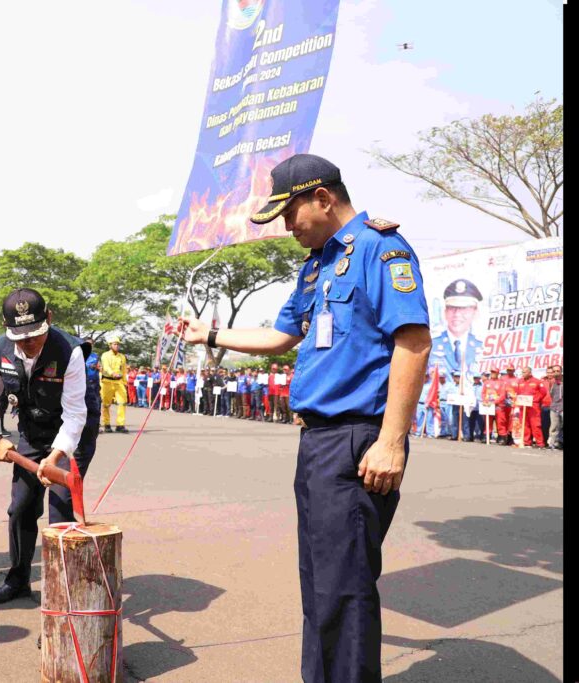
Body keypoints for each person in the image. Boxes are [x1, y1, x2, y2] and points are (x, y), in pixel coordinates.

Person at [181, 153, 431, 682]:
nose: (287, 226)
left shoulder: (381, 249)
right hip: (318, 443)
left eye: (290, 213)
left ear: (323, 198)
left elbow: (413, 342)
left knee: (346, 587)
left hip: (358, 439)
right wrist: (210, 335)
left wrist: (391, 441)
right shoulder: (316, 265)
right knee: (319, 581)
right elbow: (281, 336)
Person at [0, 289, 97, 605]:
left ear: (49, 318)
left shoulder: (69, 351)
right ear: (6, 327)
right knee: (21, 506)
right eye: (20, 336)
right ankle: (17, 579)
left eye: (35, 333)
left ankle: (64, 593)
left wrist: (54, 458)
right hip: (32, 429)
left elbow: (75, 415)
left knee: (61, 509)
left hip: (72, 434)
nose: (28, 342)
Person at [428, 279, 484, 376]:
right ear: (445, 312)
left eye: (464, 309)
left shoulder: (482, 348)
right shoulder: (431, 346)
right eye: (452, 308)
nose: (457, 314)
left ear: (475, 313)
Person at [100, 337, 128, 432]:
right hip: (107, 381)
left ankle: (120, 425)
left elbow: (124, 370)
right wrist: (112, 373)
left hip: (119, 382)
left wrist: (125, 382)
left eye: (118, 344)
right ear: (110, 345)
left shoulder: (122, 357)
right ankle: (107, 424)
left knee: (122, 402)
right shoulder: (105, 355)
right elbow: (106, 366)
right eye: (114, 344)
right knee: (106, 404)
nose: (117, 346)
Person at [515, 366, 547, 448]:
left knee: (535, 424)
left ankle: (540, 443)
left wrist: (536, 400)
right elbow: (517, 392)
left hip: (533, 406)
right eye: (522, 372)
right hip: (523, 405)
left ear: (530, 373)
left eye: (524, 372)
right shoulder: (520, 381)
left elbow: (543, 392)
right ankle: (526, 442)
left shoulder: (537, 381)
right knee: (524, 424)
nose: (523, 374)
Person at [496, 364, 520, 446]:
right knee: (502, 421)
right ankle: (502, 437)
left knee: (512, 421)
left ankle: (510, 438)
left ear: (514, 370)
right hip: (502, 404)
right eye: (508, 370)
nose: (509, 371)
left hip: (513, 404)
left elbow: (518, 392)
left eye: (511, 370)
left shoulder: (517, 380)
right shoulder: (502, 379)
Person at [547, 365, 563, 449]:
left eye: (558, 371)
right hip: (554, 407)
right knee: (554, 426)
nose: (556, 373)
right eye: (554, 371)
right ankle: (553, 443)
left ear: (561, 372)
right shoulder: (551, 382)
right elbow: (551, 394)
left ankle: (560, 442)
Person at [466, 373, 485, 442]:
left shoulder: (483, 386)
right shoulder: (470, 386)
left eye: (477, 378)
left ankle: (482, 437)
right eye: (475, 378)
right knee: (471, 423)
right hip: (472, 407)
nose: (476, 379)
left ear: (480, 379)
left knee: (481, 423)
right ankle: (470, 437)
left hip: (480, 407)